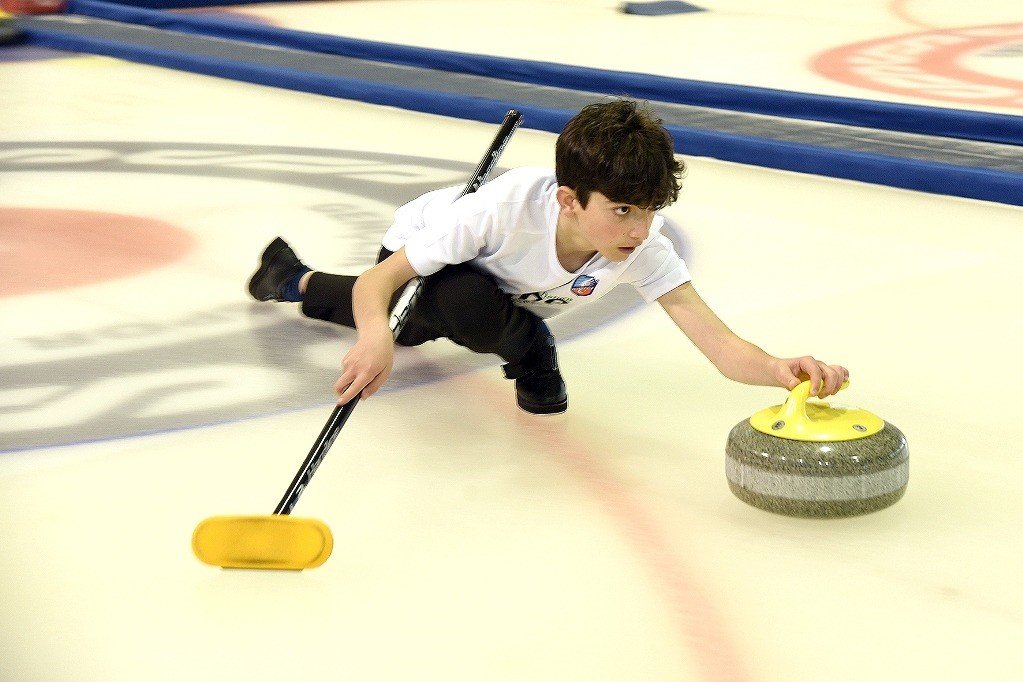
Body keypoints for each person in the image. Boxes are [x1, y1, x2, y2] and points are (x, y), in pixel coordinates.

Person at [247, 99, 848, 415]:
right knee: (448, 307)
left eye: (648, 210)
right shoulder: (501, 211)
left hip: (490, 293)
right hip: (421, 249)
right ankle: (531, 348)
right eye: (621, 210)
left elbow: (717, 342)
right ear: (568, 199)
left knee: (418, 329)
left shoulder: (642, 245)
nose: (638, 230)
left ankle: (291, 279)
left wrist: (775, 368)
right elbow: (379, 281)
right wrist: (374, 335)